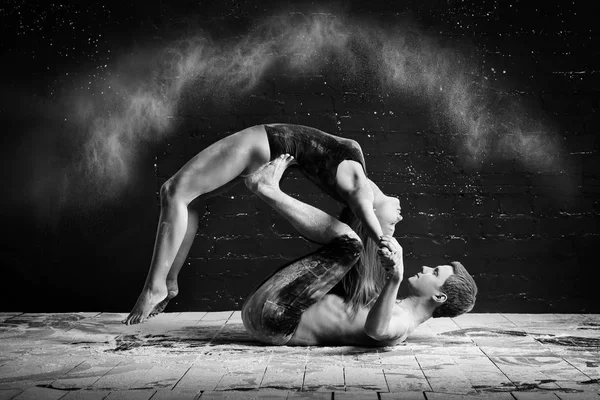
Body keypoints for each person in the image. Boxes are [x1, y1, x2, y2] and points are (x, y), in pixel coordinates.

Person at [124, 123, 401, 325]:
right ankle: (169, 282)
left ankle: (154, 287)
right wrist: (380, 237)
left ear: (372, 215)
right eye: (394, 224)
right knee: (189, 200)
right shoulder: (358, 173)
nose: (399, 217)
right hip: (263, 148)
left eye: (391, 224)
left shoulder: (361, 191)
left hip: (258, 144)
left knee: (173, 191)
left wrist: (381, 239)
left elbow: (365, 212)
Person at [243, 154, 478, 345]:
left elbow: (377, 331)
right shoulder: (392, 305)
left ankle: (266, 188)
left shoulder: (401, 324)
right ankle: (319, 159)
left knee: (350, 244)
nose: (427, 267)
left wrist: (395, 278)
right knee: (360, 235)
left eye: (435, 272)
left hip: (275, 318)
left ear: (439, 296)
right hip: (270, 311)